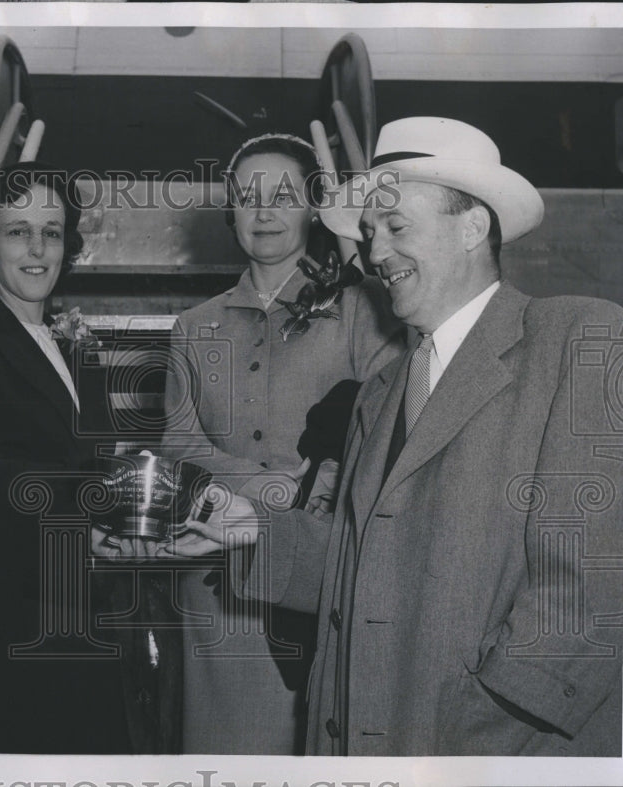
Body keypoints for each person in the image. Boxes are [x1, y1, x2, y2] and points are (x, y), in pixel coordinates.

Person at [172, 117, 623, 756]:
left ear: (473, 227)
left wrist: (481, 730)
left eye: (397, 227)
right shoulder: (383, 392)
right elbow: (361, 555)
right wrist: (250, 526)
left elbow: (592, 586)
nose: (375, 252)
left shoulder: (575, 338)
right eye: (369, 232)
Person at [157, 133, 405, 754]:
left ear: (313, 207)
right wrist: (268, 488)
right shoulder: (194, 327)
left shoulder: (367, 310)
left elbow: (385, 436)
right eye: (248, 197)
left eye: (283, 195)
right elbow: (179, 444)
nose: (264, 212)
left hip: (327, 576)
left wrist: (303, 500)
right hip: (220, 587)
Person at [0, 164, 132, 754]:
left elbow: (88, 468)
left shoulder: (78, 350)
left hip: (82, 610)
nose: (38, 249)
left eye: (52, 230)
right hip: (9, 619)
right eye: (17, 232)